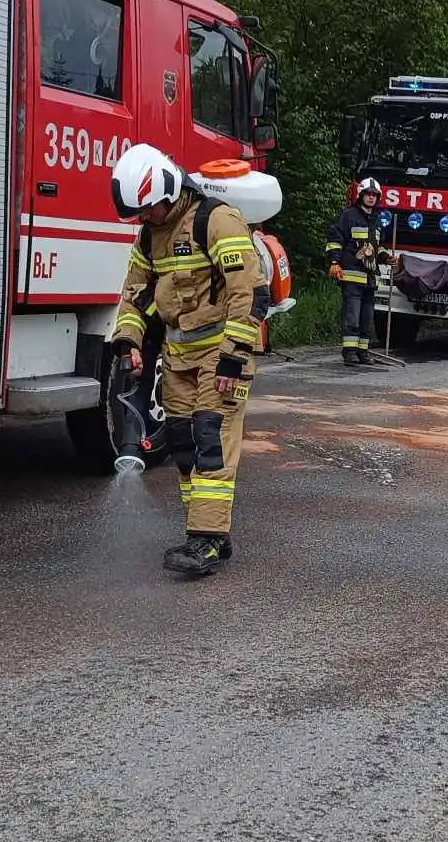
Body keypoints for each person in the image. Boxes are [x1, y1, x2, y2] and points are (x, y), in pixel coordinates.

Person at [108, 144, 267, 574]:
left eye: (149, 209)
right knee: (181, 444)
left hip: (221, 354)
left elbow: (248, 293)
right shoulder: (149, 235)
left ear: (166, 190)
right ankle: (210, 533)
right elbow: (135, 294)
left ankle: (207, 541)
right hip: (178, 358)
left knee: (209, 438)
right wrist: (129, 341)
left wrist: (234, 357)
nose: (145, 218)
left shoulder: (216, 220)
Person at [327, 177, 395, 365]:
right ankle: (349, 353)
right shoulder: (348, 216)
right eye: (368, 194)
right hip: (351, 276)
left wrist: (386, 257)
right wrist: (334, 262)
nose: (371, 198)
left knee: (367, 318)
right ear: (361, 196)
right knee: (352, 316)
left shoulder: (376, 220)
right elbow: (335, 240)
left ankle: (363, 352)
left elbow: (377, 247)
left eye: (374, 195)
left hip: (370, 278)